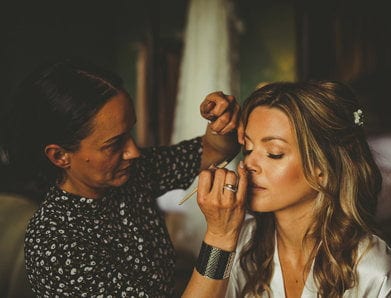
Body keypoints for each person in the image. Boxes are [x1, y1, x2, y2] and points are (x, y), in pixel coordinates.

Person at [2, 58, 241, 296]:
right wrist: (220, 237)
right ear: (60, 156)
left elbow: (214, 151)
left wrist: (222, 122)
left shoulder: (132, 173)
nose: (133, 151)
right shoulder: (56, 246)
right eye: (114, 144)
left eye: (129, 132)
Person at [181, 81, 391, 297]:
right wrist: (219, 238)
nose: (248, 165)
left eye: (274, 153)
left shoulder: (370, 269)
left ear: (323, 169)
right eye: (248, 150)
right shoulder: (241, 242)